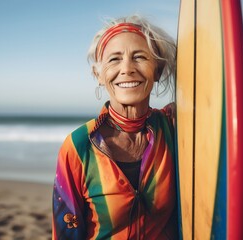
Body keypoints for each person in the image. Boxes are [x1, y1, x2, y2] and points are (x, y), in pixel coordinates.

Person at [52, 15, 178, 240]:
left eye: (139, 57)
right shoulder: (79, 147)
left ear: (157, 70)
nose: (127, 69)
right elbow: (65, 234)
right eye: (114, 59)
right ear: (98, 75)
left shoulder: (173, 128)